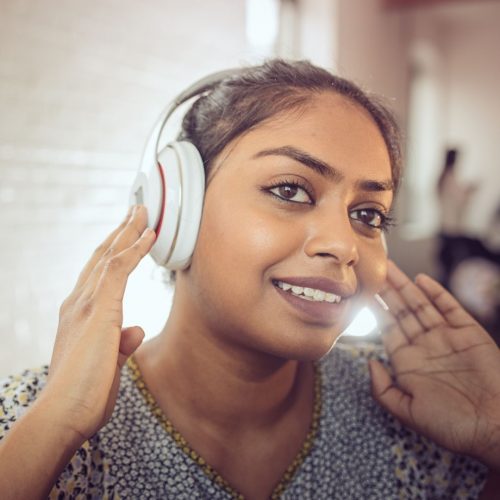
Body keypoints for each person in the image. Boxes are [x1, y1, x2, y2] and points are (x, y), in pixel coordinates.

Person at [1, 59, 500, 499]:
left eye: (369, 215)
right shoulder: (33, 421)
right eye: (291, 190)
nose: (345, 245)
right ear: (174, 209)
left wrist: (493, 433)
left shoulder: (412, 403)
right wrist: (58, 424)